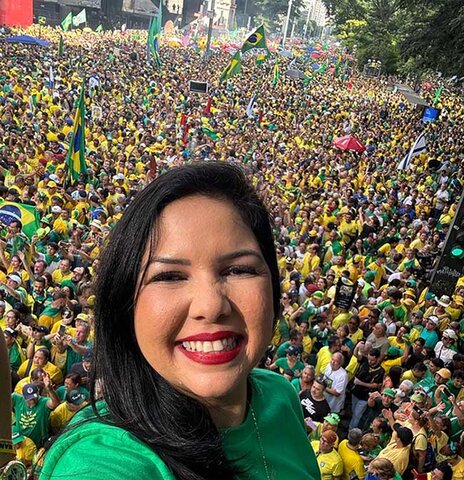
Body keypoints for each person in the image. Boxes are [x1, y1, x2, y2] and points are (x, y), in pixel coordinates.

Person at [41, 163, 320, 479]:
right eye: (170, 276)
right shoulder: (102, 461)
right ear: (125, 305)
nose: (211, 306)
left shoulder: (279, 396)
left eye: (239, 270)